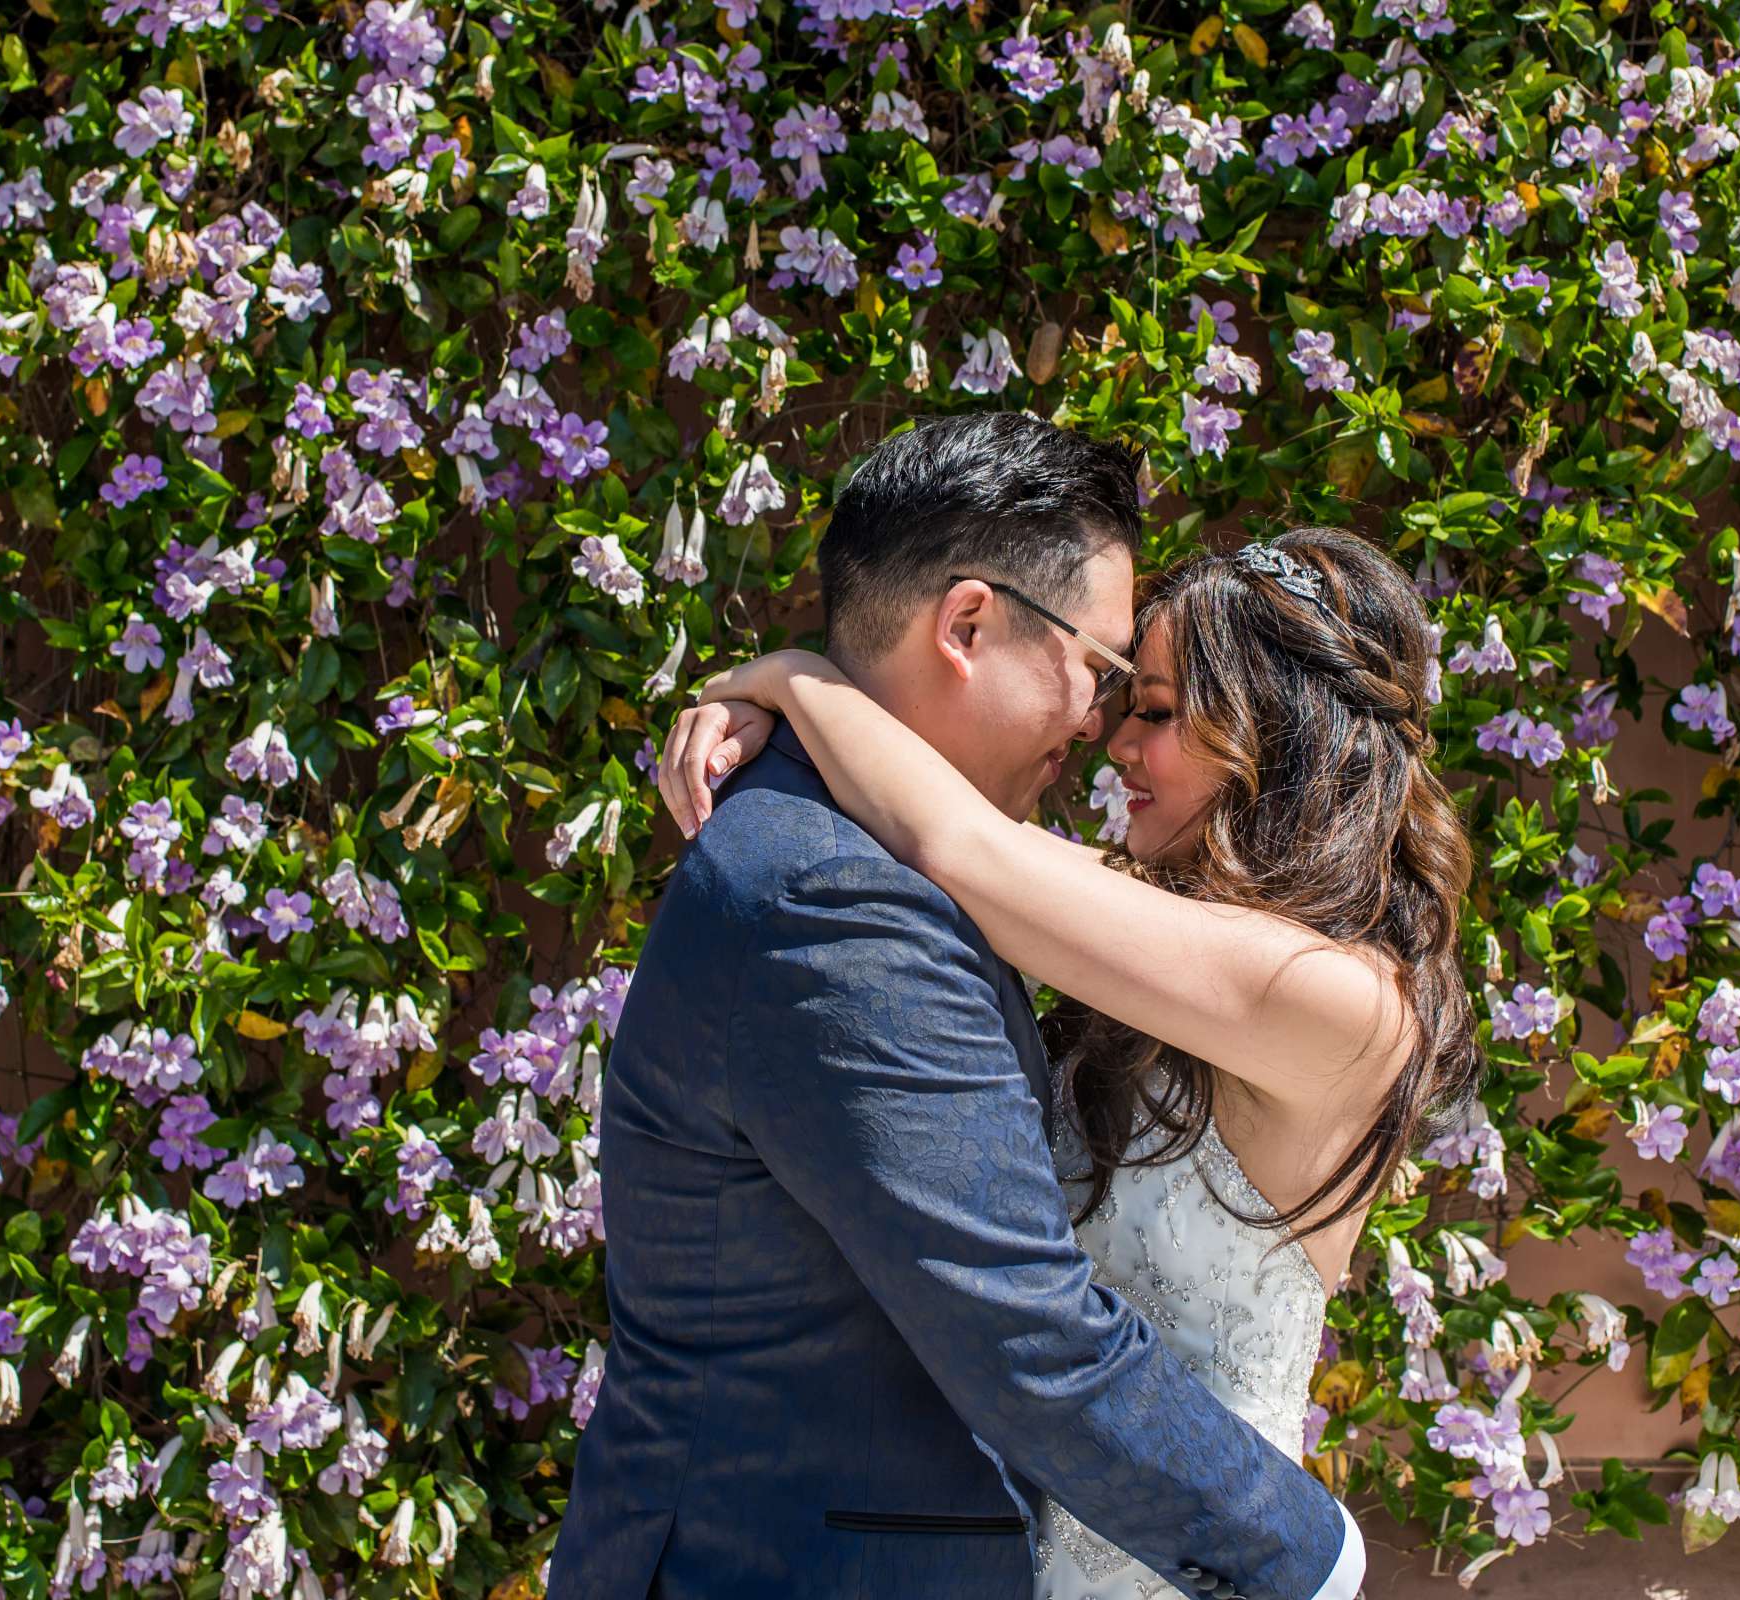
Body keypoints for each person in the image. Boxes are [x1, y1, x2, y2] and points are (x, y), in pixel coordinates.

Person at [547, 413, 1371, 1600]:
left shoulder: (889, 856)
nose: (1097, 731)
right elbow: (1023, 1332)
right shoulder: (839, 895)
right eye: (1098, 675)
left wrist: (794, 680)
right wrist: (1316, 1558)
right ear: (969, 623)